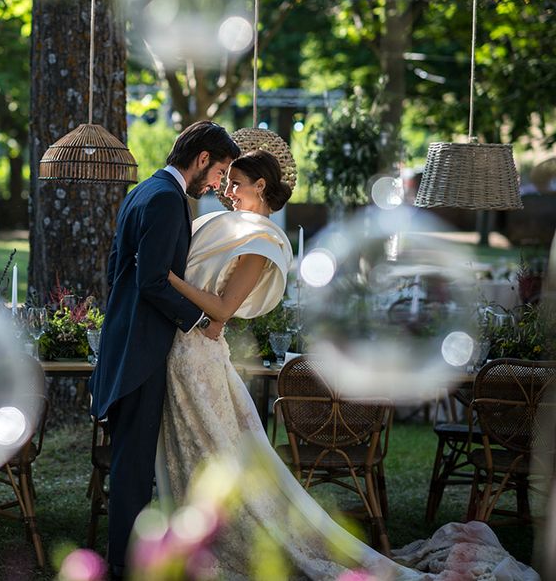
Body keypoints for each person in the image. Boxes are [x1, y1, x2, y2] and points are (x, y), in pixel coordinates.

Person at [154, 149, 538, 580]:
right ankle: (194, 534)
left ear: (260, 186)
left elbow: (223, 309)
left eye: (236, 183)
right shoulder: (236, 229)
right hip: (190, 354)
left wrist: (164, 277)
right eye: (226, 183)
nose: (227, 192)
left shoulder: (261, 242)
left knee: (222, 455)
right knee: (203, 450)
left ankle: (223, 539)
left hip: (200, 355)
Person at [89, 120, 240, 577]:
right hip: (141, 352)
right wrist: (200, 321)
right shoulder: (167, 201)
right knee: (133, 466)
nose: (218, 184)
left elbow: (118, 272)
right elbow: (152, 280)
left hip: (127, 343)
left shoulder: (143, 193)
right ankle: (124, 564)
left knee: (131, 463)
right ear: (201, 160)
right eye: (219, 172)